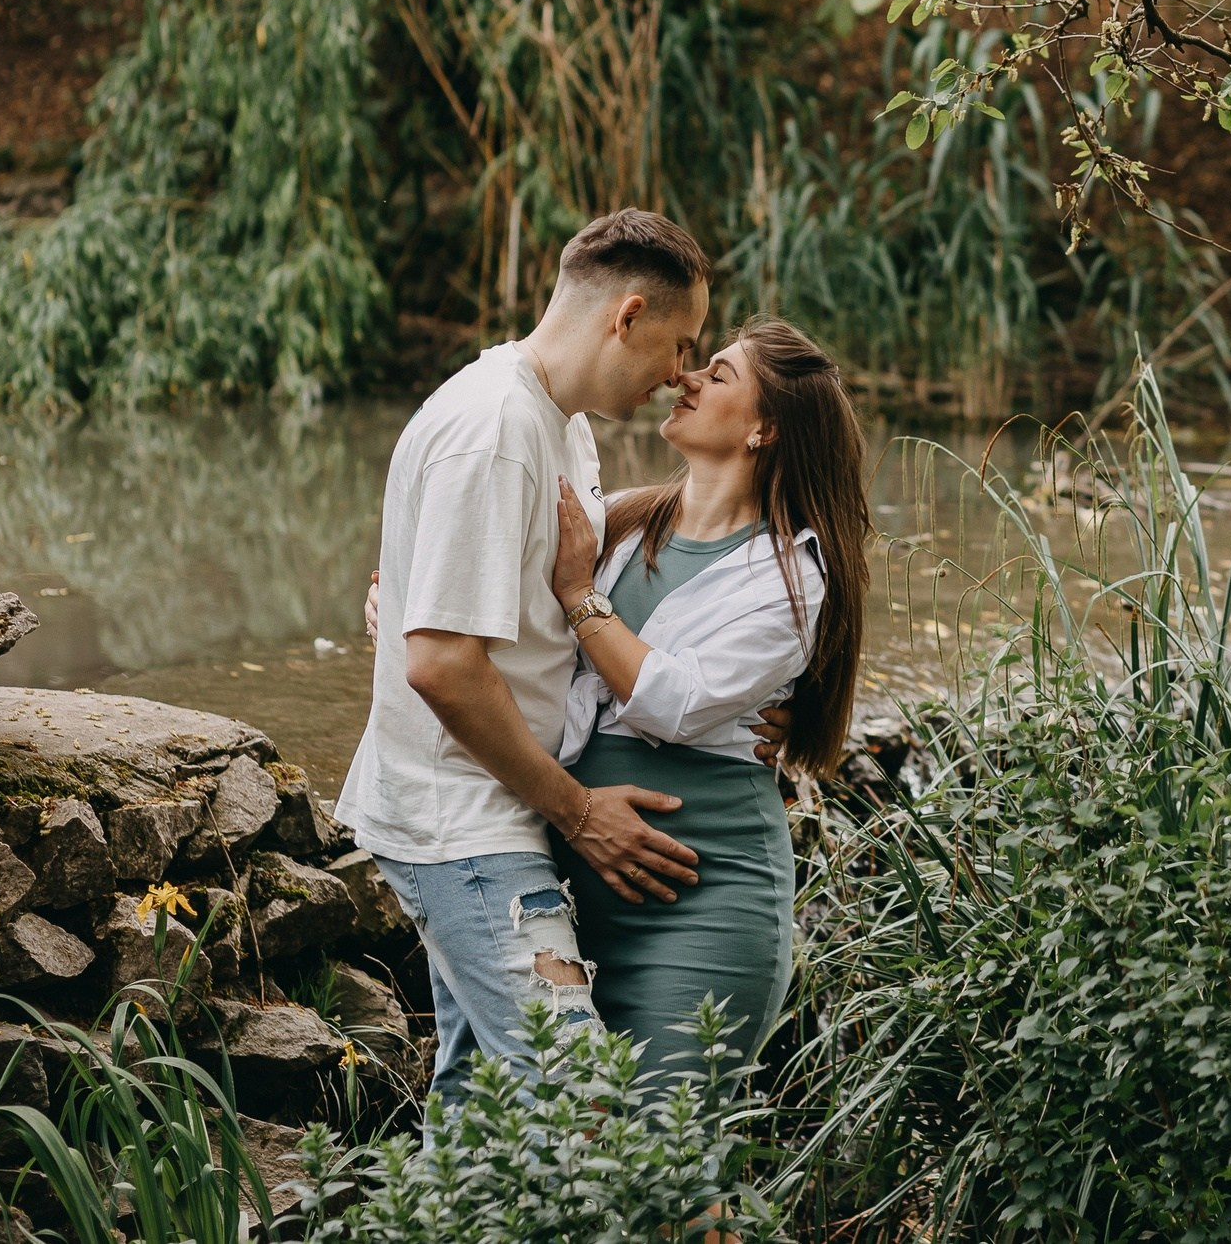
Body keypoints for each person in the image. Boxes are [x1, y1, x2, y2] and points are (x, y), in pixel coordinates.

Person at [335, 210, 726, 1100]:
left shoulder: (560, 423)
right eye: (680, 342)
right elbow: (438, 662)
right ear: (627, 315)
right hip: (464, 825)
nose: (679, 373)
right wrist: (580, 812)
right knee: (584, 1102)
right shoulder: (496, 429)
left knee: (482, 1119)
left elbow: (482, 609)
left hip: (493, 814)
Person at [543, 317, 871, 1083]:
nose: (685, 377)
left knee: (667, 1166)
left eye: (717, 373)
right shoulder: (618, 519)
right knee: (576, 1155)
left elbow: (674, 703)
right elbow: (490, 578)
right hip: (570, 889)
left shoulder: (792, 576)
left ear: (764, 429)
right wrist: (399, 592)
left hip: (703, 906)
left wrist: (578, 596)